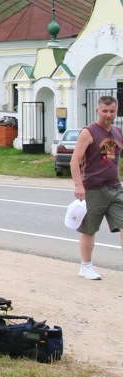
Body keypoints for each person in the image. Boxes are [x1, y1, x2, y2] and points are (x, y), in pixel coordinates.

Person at [70, 94, 123, 280]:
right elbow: (75, 161)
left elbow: (116, 160)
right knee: (89, 229)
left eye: (112, 111)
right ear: (97, 111)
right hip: (93, 188)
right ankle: (86, 266)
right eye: (105, 111)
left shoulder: (117, 132)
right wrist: (79, 185)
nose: (108, 114)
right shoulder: (89, 131)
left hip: (116, 188)